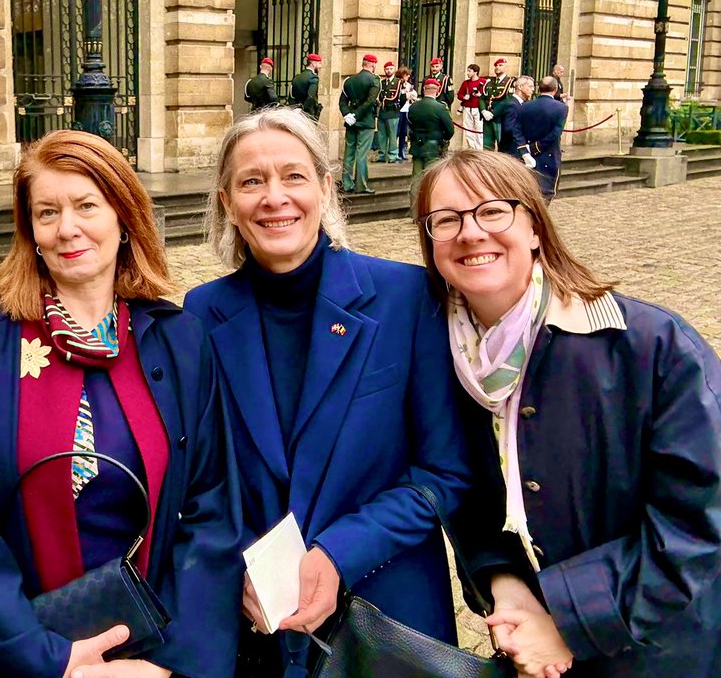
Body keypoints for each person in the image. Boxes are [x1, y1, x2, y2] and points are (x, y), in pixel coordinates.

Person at [0, 130, 242, 677]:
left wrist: (171, 661)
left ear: (123, 215)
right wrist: (50, 662)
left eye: (86, 205)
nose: (67, 228)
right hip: (24, 656)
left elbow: (212, 511)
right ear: (31, 232)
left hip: (153, 654)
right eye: (47, 212)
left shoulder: (179, 341)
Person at [184, 107, 471, 677]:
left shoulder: (406, 297)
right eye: (252, 181)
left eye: (293, 175)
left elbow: (444, 473)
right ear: (227, 202)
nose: (274, 197)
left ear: (324, 187)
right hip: (260, 619)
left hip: (385, 610)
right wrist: (239, 562)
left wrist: (341, 552)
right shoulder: (201, 313)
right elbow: (204, 475)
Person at [413, 150, 721, 677]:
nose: (471, 232)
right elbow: (463, 495)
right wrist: (506, 588)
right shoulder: (445, 358)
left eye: (493, 211)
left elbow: (699, 523)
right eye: (447, 219)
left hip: (655, 652)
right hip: (529, 647)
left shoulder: (652, 346)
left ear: (534, 226)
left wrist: (567, 622)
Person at [517, 76, 568, 201]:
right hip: (548, 153)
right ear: (555, 89)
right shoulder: (561, 107)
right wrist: (537, 147)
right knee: (546, 193)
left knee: (528, 191)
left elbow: (518, 131)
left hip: (527, 153)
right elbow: (556, 133)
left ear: (539, 89)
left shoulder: (525, 106)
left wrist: (525, 148)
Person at [339, 53, 380, 194]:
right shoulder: (374, 80)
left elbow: (342, 101)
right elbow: (370, 101)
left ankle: (346, 184)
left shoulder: (349, 80)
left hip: (351, 122)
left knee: (349, 153)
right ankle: (361, 185)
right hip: (366, 121)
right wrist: (356, 116)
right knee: (361, 154)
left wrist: (347, 115)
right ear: (373, 65)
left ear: (363, 64)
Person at [408, 76, 455, 180]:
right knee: (431, 177)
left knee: (416, 177)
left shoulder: (413, 107)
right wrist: (443, 138)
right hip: (433, 146)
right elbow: (450, 130)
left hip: (417, 144)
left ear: (424, 90)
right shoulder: (440, 107)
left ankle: (415, 196)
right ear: (437, 91)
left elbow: (411, 124)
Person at [480, 58, 515, 151]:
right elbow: (482, 98)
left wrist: (493, 113)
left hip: (500, 117)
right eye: (496, 65)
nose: (497, 67)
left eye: (500, 65)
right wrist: (483, 111)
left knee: (501, 144)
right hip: (487, 117)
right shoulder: (489, 82)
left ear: (506, 67)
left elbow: (508, 100)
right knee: (487, 145)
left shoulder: (510, 82)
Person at [498, 75, 535, 160]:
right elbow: (509, 128)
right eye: (530, 86)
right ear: (520, 87)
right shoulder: (512, 104)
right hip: (511, 151)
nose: (533, 89)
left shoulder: (521, 104)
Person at [375, 60, 404, 163]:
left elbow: (403, 97)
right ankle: (382, 155)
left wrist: (398, 107)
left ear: (394, 69)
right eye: (387, 69)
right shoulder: (382, 83)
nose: (389, 71)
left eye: (391, 69)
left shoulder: (399, 82)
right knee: (381, 135)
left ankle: (393, 155)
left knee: (392, 135)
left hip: (392, 112)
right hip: (382, 112)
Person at [457, 64, 486, 152]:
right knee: (468, 129)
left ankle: (479, 150)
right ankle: (471, 148)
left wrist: (479, 95)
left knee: (479, 129)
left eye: (469, 71)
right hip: (467, 108)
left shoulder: (483, 82)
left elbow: (486, 94)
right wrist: (464, 97)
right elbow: (459, 94)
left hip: (478, 108)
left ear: (475, 72)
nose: (467, 73)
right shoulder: (465, 83)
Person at [290, 53, 324, 118]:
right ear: (313, 64)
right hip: (308, 113)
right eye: (319, 63)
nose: (320, 66)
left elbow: (291, 96)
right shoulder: (313, 78)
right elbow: (311, 96)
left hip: (296, 112)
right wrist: (303, 110)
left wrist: (296, 109)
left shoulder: (297, 77)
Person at [396, 66, 417, 161]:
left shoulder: (408, 85)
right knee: (396, 132)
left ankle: (402, 151)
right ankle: (395, 151)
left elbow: (413, 95)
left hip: (406, 110)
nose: (408, 77)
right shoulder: (397, 84)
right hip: (398, 111)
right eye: (406, 75)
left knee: (404, 132)